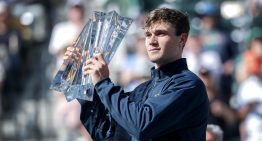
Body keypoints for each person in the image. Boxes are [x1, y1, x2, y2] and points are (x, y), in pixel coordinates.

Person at [64, 7, 209, 141]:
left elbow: (141, 126)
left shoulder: (188, 85)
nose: (152, 41)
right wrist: (82, 76)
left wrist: (103, 83)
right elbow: (106, 133)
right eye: (148, 34)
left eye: (160, 33)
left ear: (182, 39)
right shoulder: (143, 89)